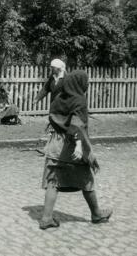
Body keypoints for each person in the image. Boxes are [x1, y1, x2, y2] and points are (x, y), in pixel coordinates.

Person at [39, 70, 112, 230]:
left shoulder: (59, 97)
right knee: (86, 180)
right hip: (72, 146)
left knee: (53, 182)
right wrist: (79, 145)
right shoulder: (79, 100)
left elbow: (54, 117)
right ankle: (97, 214)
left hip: (55, 144)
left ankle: (46, 218)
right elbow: (76, 124)